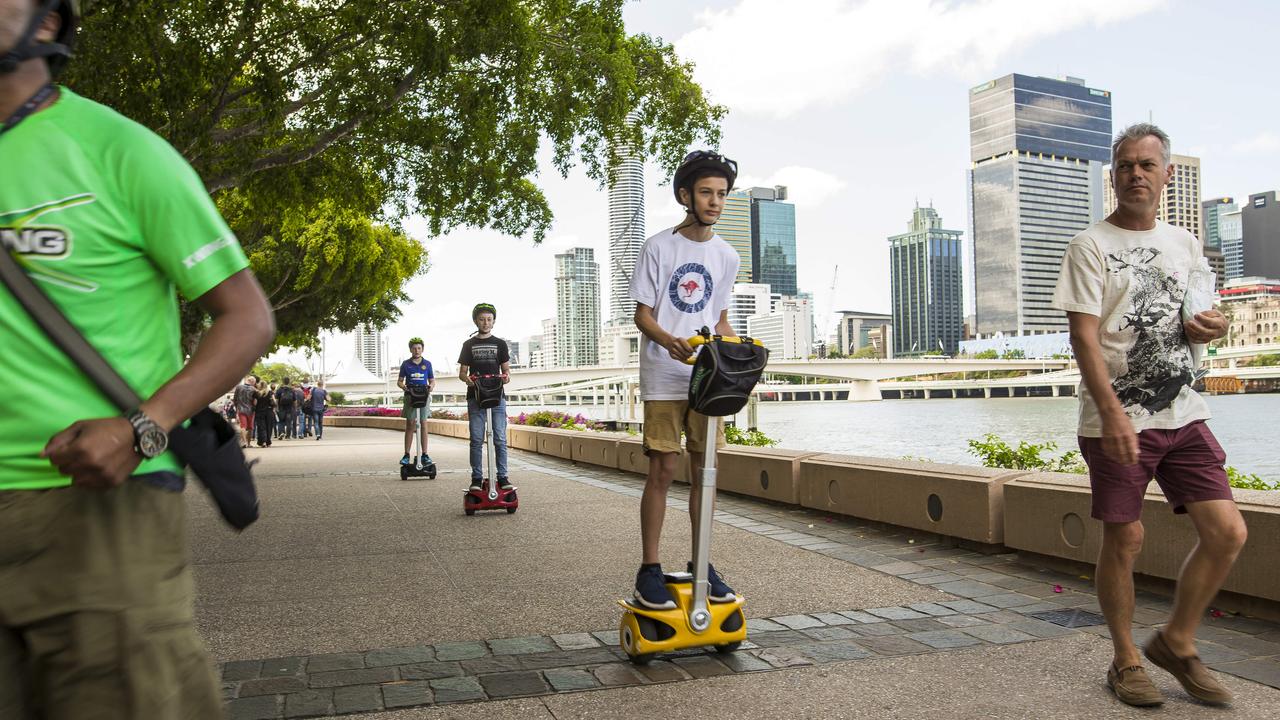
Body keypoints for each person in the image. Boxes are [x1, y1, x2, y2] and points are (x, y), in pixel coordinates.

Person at [0, 1, 275, 715]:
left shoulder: (118, 149)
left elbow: (246, 317)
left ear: (49, 21)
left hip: (96, 507)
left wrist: (141, 428)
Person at [1052, 123, 1244, 708]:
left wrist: (1215, 324)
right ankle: (1126, 659)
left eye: (1146, 165)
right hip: (1117, 416)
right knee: (1126, 536)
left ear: (1165, 176)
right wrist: (1110, 412)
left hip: (1184, 412)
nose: (1136, 173)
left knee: (1228, 532)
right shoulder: (1090, 246)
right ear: (1113, 176)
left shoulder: (1185, 244)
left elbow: (1203, 318)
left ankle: (1176, 642)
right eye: (1125, 165)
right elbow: (1084, 337)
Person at [628, 150, 741, 611]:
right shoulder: (658, 247)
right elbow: (642, 316)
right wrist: (670, 340)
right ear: (685, 196)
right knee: (663, 470)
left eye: (721, 194)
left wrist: (740, 352)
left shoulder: (727, 255)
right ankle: (649, 569)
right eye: (706, 193)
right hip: (663, 376)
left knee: (705, 474)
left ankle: (701, 560)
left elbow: (721, 320)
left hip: (707, 380)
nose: (715, 202)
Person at [457, 303, 510, 491]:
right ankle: (476, 478)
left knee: (500, 438)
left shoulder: (500, 344)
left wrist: (506, 378)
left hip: (497, 397)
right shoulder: (468, 344)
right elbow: (462, 372)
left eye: (489, 319)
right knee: (477, 439)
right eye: (482, 319)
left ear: (494, 321)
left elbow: (506, 372)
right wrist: (468, 380)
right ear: (475, 321)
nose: (485, 323)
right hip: (475, 396)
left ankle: (503, 477)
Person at [398, 337, 435, 466]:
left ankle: (425, 454)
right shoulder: (406, 364)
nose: (417, 350)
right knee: (410, 424)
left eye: (419, 348)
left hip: (423, 395)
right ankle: (406, 454)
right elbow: (400, 381)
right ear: (410, 350)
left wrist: (431, 387)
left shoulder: (427, 364)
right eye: (414, 348)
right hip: (410, 395)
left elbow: (432, 380)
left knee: (424, 423)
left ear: (422, 349)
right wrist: (404, 387)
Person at [234, 374, 257, 447]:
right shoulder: (253, 389)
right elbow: (255, 401)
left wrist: (237, 408)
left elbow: (235, 399)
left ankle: (244, 442)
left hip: (241, 409)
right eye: (254, 382)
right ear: (252, 381)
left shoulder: (238, 387)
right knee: (250, 427)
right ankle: (249, 443)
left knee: (243, 426)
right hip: (251, 410)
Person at [254, 382, 276, 448]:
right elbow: (274, 402)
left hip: (260, 412)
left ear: (260, 386)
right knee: (269, 427)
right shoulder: (270, 392)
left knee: (261, 427)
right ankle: (268, 442)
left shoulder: (257, 393)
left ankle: (263, 442)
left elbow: (255, 403)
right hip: (269, 411)